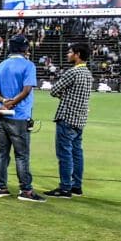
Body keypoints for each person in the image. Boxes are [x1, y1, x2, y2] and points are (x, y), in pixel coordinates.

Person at [0, 35, 45, 202]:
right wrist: (12, 103)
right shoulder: (28, 65)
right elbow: (27, 89)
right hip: (19, 116)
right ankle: (26, 191)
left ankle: (0, 187)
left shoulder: (1, 65)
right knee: (21, 155)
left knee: (2, 153)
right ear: (25, 49)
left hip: (1, 116)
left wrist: (4, 102)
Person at [45, 42, 93, 198]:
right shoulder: (88, 73)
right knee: (77, 153)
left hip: (67, 117)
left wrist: (65, 96)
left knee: (64, 154)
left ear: (77, 54)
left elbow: (53, 91)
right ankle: (76, 186)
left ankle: (65, 188)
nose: (68, 54)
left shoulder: (72, 72)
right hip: (80, 119)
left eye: (70, 52)